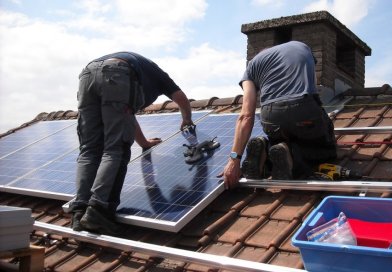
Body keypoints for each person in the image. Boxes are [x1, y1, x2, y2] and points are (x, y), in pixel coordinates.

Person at [69, 52, 194, 235]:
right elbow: (181, 98)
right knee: (115, 149)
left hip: (88, 74)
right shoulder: (160, 76)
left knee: (89, 149)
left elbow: (126, 117)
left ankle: (79, 212)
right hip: (116, 72)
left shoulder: (142, 72)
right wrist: (187, 119)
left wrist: (143, 142)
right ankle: (98, 211)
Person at [222, 41, 337, 189]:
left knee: (280, 140)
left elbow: (246, 115)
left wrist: (234, 160)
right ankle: (292, 157)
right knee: (326, 148)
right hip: (303, 109)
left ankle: (265, 148)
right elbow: (313, 87)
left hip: (271, 117)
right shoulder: (301, 46)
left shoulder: (252, 65)